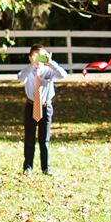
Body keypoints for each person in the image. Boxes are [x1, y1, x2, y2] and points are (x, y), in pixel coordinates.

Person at [17, 44, 68, 174]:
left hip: (46, 107)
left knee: (44, 139)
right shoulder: (28, 71)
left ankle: (46, 167)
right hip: (31, 106)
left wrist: (51, 63)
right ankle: (28, 167)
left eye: (41, 57)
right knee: (29, 138)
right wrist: (31, 65)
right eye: (35, 56)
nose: (38, 60)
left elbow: (63, 75)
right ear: (30, 58)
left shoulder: (49, 71)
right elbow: (20, 78)